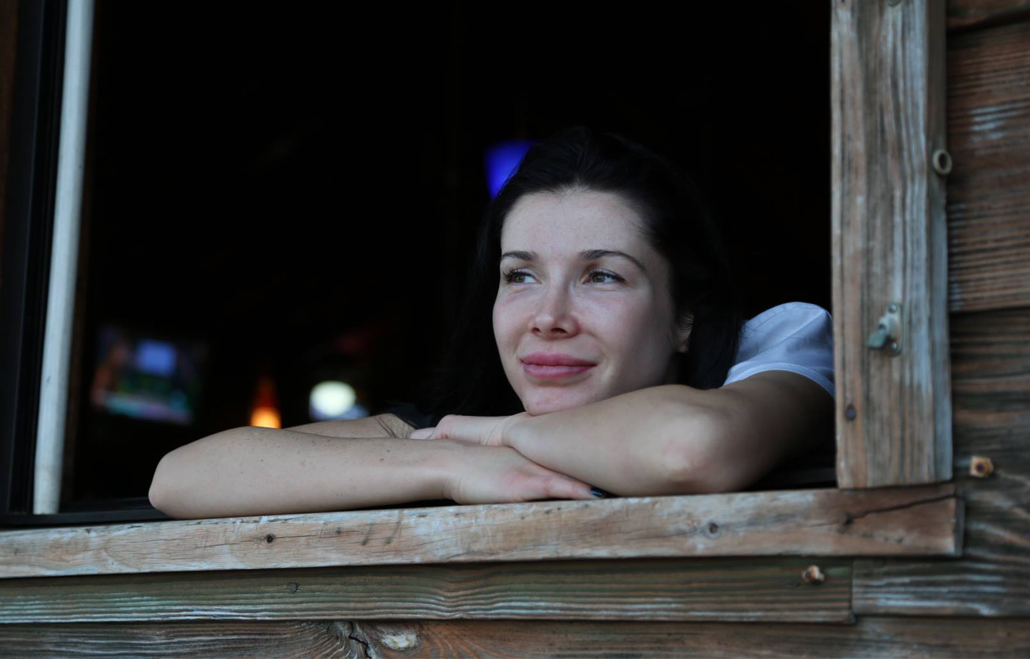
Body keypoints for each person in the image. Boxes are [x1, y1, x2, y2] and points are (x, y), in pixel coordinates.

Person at [148, 127, 834, 519]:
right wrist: (448, 463)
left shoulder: (777, 349)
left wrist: (504, 438)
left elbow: (689, 449)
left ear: (685, 315)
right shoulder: (455, 428)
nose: (549, 318)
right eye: (521, 275)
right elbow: (182, 477)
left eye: (602, 275)